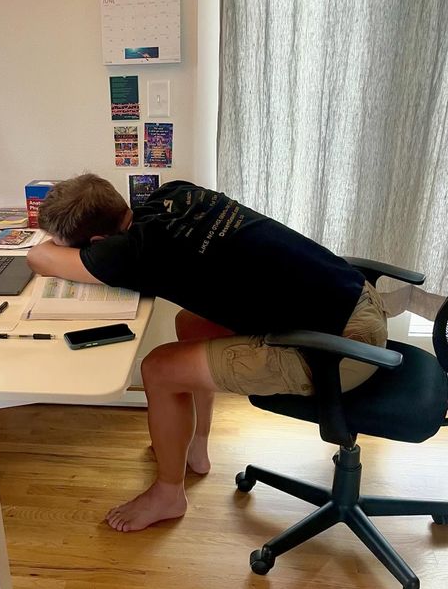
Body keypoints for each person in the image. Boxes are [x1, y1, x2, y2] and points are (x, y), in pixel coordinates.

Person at [27, 173, 387, 533]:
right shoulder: (174, 194)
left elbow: (39, 257)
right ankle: (196, 446)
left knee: (159, 370)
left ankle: (169, 494)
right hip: (357, 298)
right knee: (191, 325)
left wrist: (58, 247)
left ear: (98, 242)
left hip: (341, 351)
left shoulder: (131, 253)